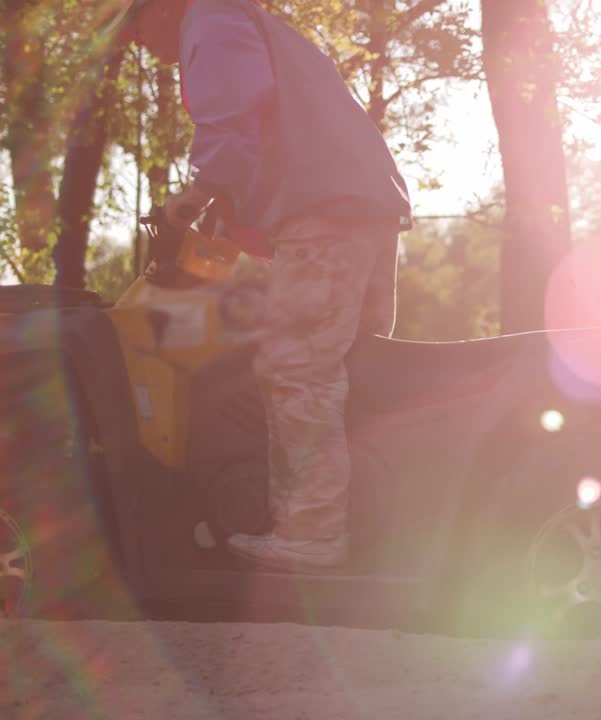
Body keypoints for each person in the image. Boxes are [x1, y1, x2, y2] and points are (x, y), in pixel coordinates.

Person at [114, 0, 414, 572]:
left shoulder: (210, 20)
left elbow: (234, 116)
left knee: (296, 368)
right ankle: (376, 519)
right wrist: (219, 222)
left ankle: (312, 534)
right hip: (364, 207)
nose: (141, 46)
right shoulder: (252, 25)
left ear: (161, 9)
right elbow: (261, 141)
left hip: (324, 214)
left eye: (137, 29)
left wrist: (192, 197)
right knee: (357, 366)